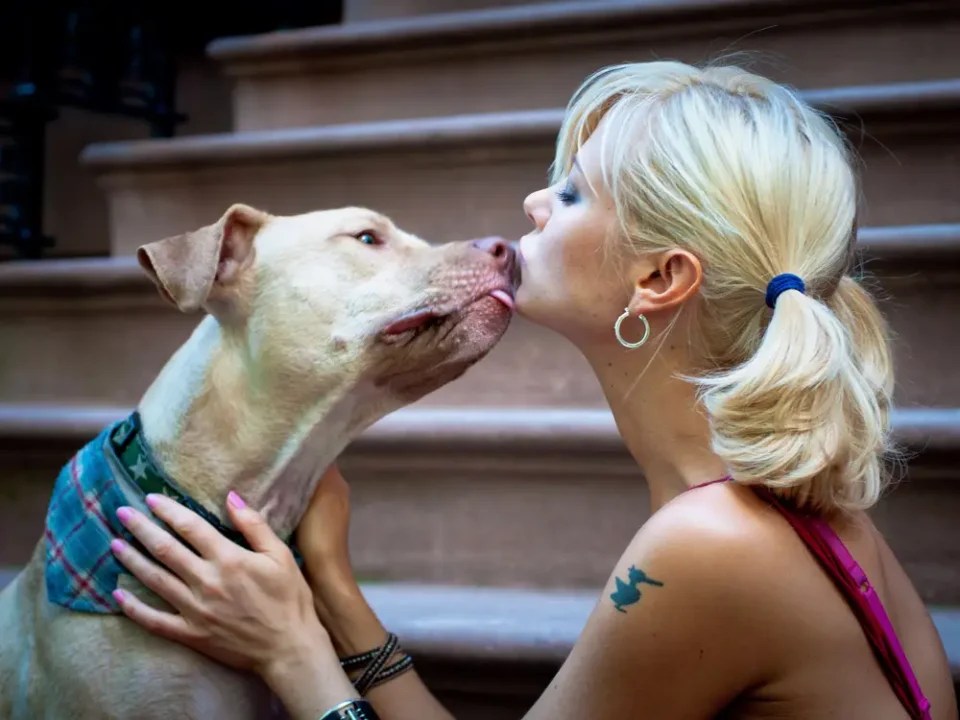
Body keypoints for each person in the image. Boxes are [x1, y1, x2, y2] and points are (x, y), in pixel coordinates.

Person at [107, 60, 958, 719]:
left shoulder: (709, 547)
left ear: (660, 279)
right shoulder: (796, 516)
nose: (534, 202)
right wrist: (332, 589)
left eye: (574, 192)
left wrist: (294, 653)